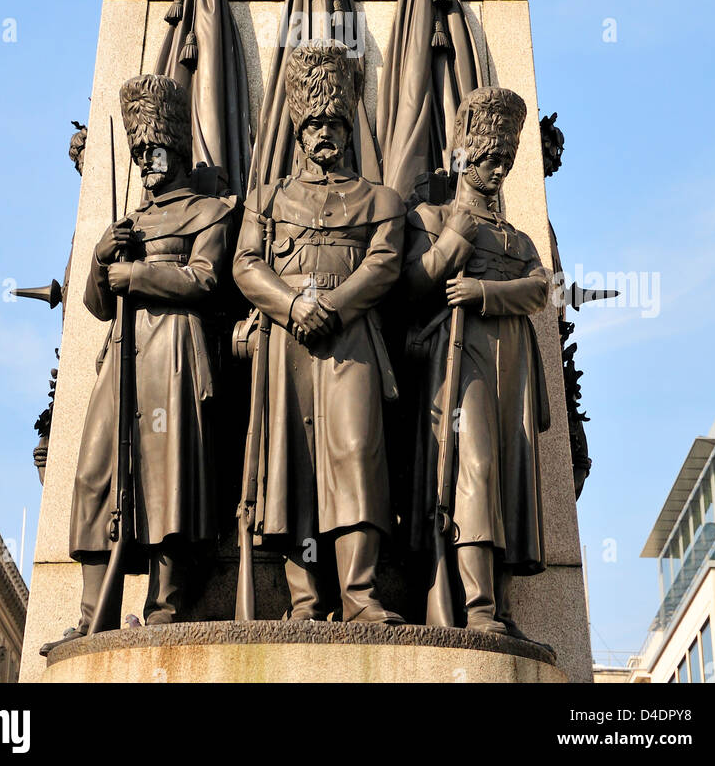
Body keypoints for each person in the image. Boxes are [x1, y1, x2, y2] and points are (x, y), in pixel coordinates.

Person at [41, 75, 235, 654]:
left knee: (167, 475)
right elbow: (98, 306)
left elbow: (207, 280)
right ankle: (91, 613)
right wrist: (102, 256)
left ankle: (166, 606)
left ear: (174, 149)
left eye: (153, 151)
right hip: (120, 356)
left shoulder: (210, 212)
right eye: (137, 154)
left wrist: (138, 275)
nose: (145, 163)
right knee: (97, 472)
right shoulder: (126, 222)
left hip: (175, 350)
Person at [233, 40, 405, 622]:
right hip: (286, 345)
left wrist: (330, 305)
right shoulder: (268, 197)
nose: (324, 132)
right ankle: (305, 601)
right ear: (299, 130)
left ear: (350, 128)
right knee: (294, 463)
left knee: (357, 455)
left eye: (335, 121)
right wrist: (289, 305)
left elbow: (384, 263)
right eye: (314, 123)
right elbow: (244, 264)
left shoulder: (381, 199)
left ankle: (360, 597)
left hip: (351, 341)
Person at [403, 86, 551, 636]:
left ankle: (500, 607)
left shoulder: (519, 237)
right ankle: (477, 605)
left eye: (505, 161)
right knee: (475, 467)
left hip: (513, 364)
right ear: (465, 156)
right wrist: (454, 241)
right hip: (458, 358)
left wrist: (483, 292)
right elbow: (411, 289)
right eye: (488, 158)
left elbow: (540, 289)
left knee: (508, 479)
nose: (496, 170)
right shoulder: (430, 218)